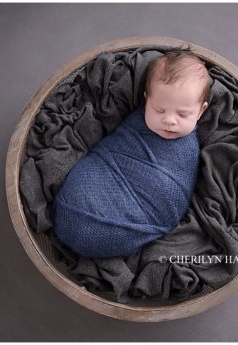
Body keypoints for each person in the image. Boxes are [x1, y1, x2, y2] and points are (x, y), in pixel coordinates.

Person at [52, 50, 210, 258]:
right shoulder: (135, 124)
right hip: (85, 195)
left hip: (141, 213)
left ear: (201, 111)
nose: (169, 120)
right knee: (81, 192)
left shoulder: (187, 151)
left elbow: (177, 192)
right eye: (159, 110)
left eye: (183, 114)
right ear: (146, 100)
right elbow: (112, 149)